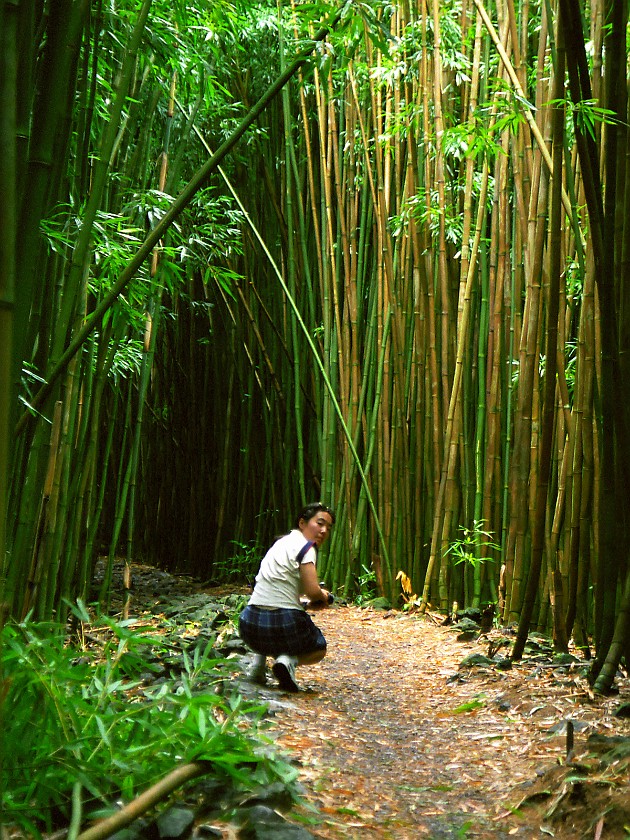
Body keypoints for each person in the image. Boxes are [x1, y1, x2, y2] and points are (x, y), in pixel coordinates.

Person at [238, 502, 335, 692]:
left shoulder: (279, 544)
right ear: (302, 523)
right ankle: (287, 661)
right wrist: (324, 596)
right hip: (282, 624)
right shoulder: (307, 548)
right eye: (320, 523)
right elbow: (312, 591)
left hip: (248, 623)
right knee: (318, 646)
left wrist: (306, 604)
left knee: (272, 625)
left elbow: (270, 590)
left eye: (328, 528)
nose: (324, 531)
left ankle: (257, 667)